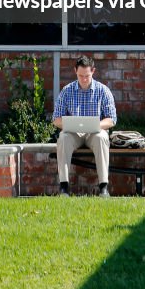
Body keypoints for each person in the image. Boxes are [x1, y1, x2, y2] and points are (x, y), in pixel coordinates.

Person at [52, 54, 116, 197]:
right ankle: (64, 187)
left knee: (101, 138)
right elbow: (56, 119)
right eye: (81, 75)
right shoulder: (66, 91)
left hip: (95, 132)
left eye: (87, 75)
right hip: (73, 133)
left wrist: (97, 125)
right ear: (75, 71)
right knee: (63, 138)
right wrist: (68, 125)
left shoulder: (103, 90)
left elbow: (111, 119)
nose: (84, 79)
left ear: (93, 71)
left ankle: (103, 187)